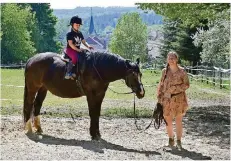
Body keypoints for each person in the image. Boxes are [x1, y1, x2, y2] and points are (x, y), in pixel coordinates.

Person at [157, 51, 190, 150]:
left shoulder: (182, 71)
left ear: (176, 59)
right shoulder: (165, 71)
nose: (171, 60)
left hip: (179, 99)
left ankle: (179, 141)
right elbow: (161, 84)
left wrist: (174, 89)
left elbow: (186, 85)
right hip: (166, 100)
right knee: (167, 119)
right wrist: (159, 97)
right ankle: (171, 139)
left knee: (178, 120)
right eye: (169, 58)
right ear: (167, 59)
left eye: (173, 58)